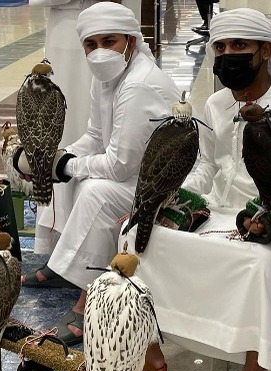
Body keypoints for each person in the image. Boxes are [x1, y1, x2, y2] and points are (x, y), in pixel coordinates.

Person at [122, 8, 271, 371]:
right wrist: (170, 197)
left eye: (239, 47)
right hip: (216, 210)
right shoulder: (216, 104)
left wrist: (267, 219)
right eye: (220, 47)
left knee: (259, 264)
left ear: (265, 52)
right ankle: (150, 348)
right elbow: (204, 169)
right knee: (135, 233)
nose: (226, 55)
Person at [14, 2, 181, 345]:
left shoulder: (139, 84)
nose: (100, 51)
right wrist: (56, 160)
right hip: (134, 175)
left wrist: (67, 165)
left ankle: (87, 298)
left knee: (94, 190)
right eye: (92, 44)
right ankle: (63, 265)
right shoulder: (106, 78)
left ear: (131, 42)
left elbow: (119, 166)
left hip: (162, 185)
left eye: (110, 41)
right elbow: (93, 136)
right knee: (63, 166)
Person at [28, 0, 101, 255]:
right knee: (66, 127)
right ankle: (60, 242)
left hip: (101, 26)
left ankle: (94, 237)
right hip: (67, 32)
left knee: (96, 124)